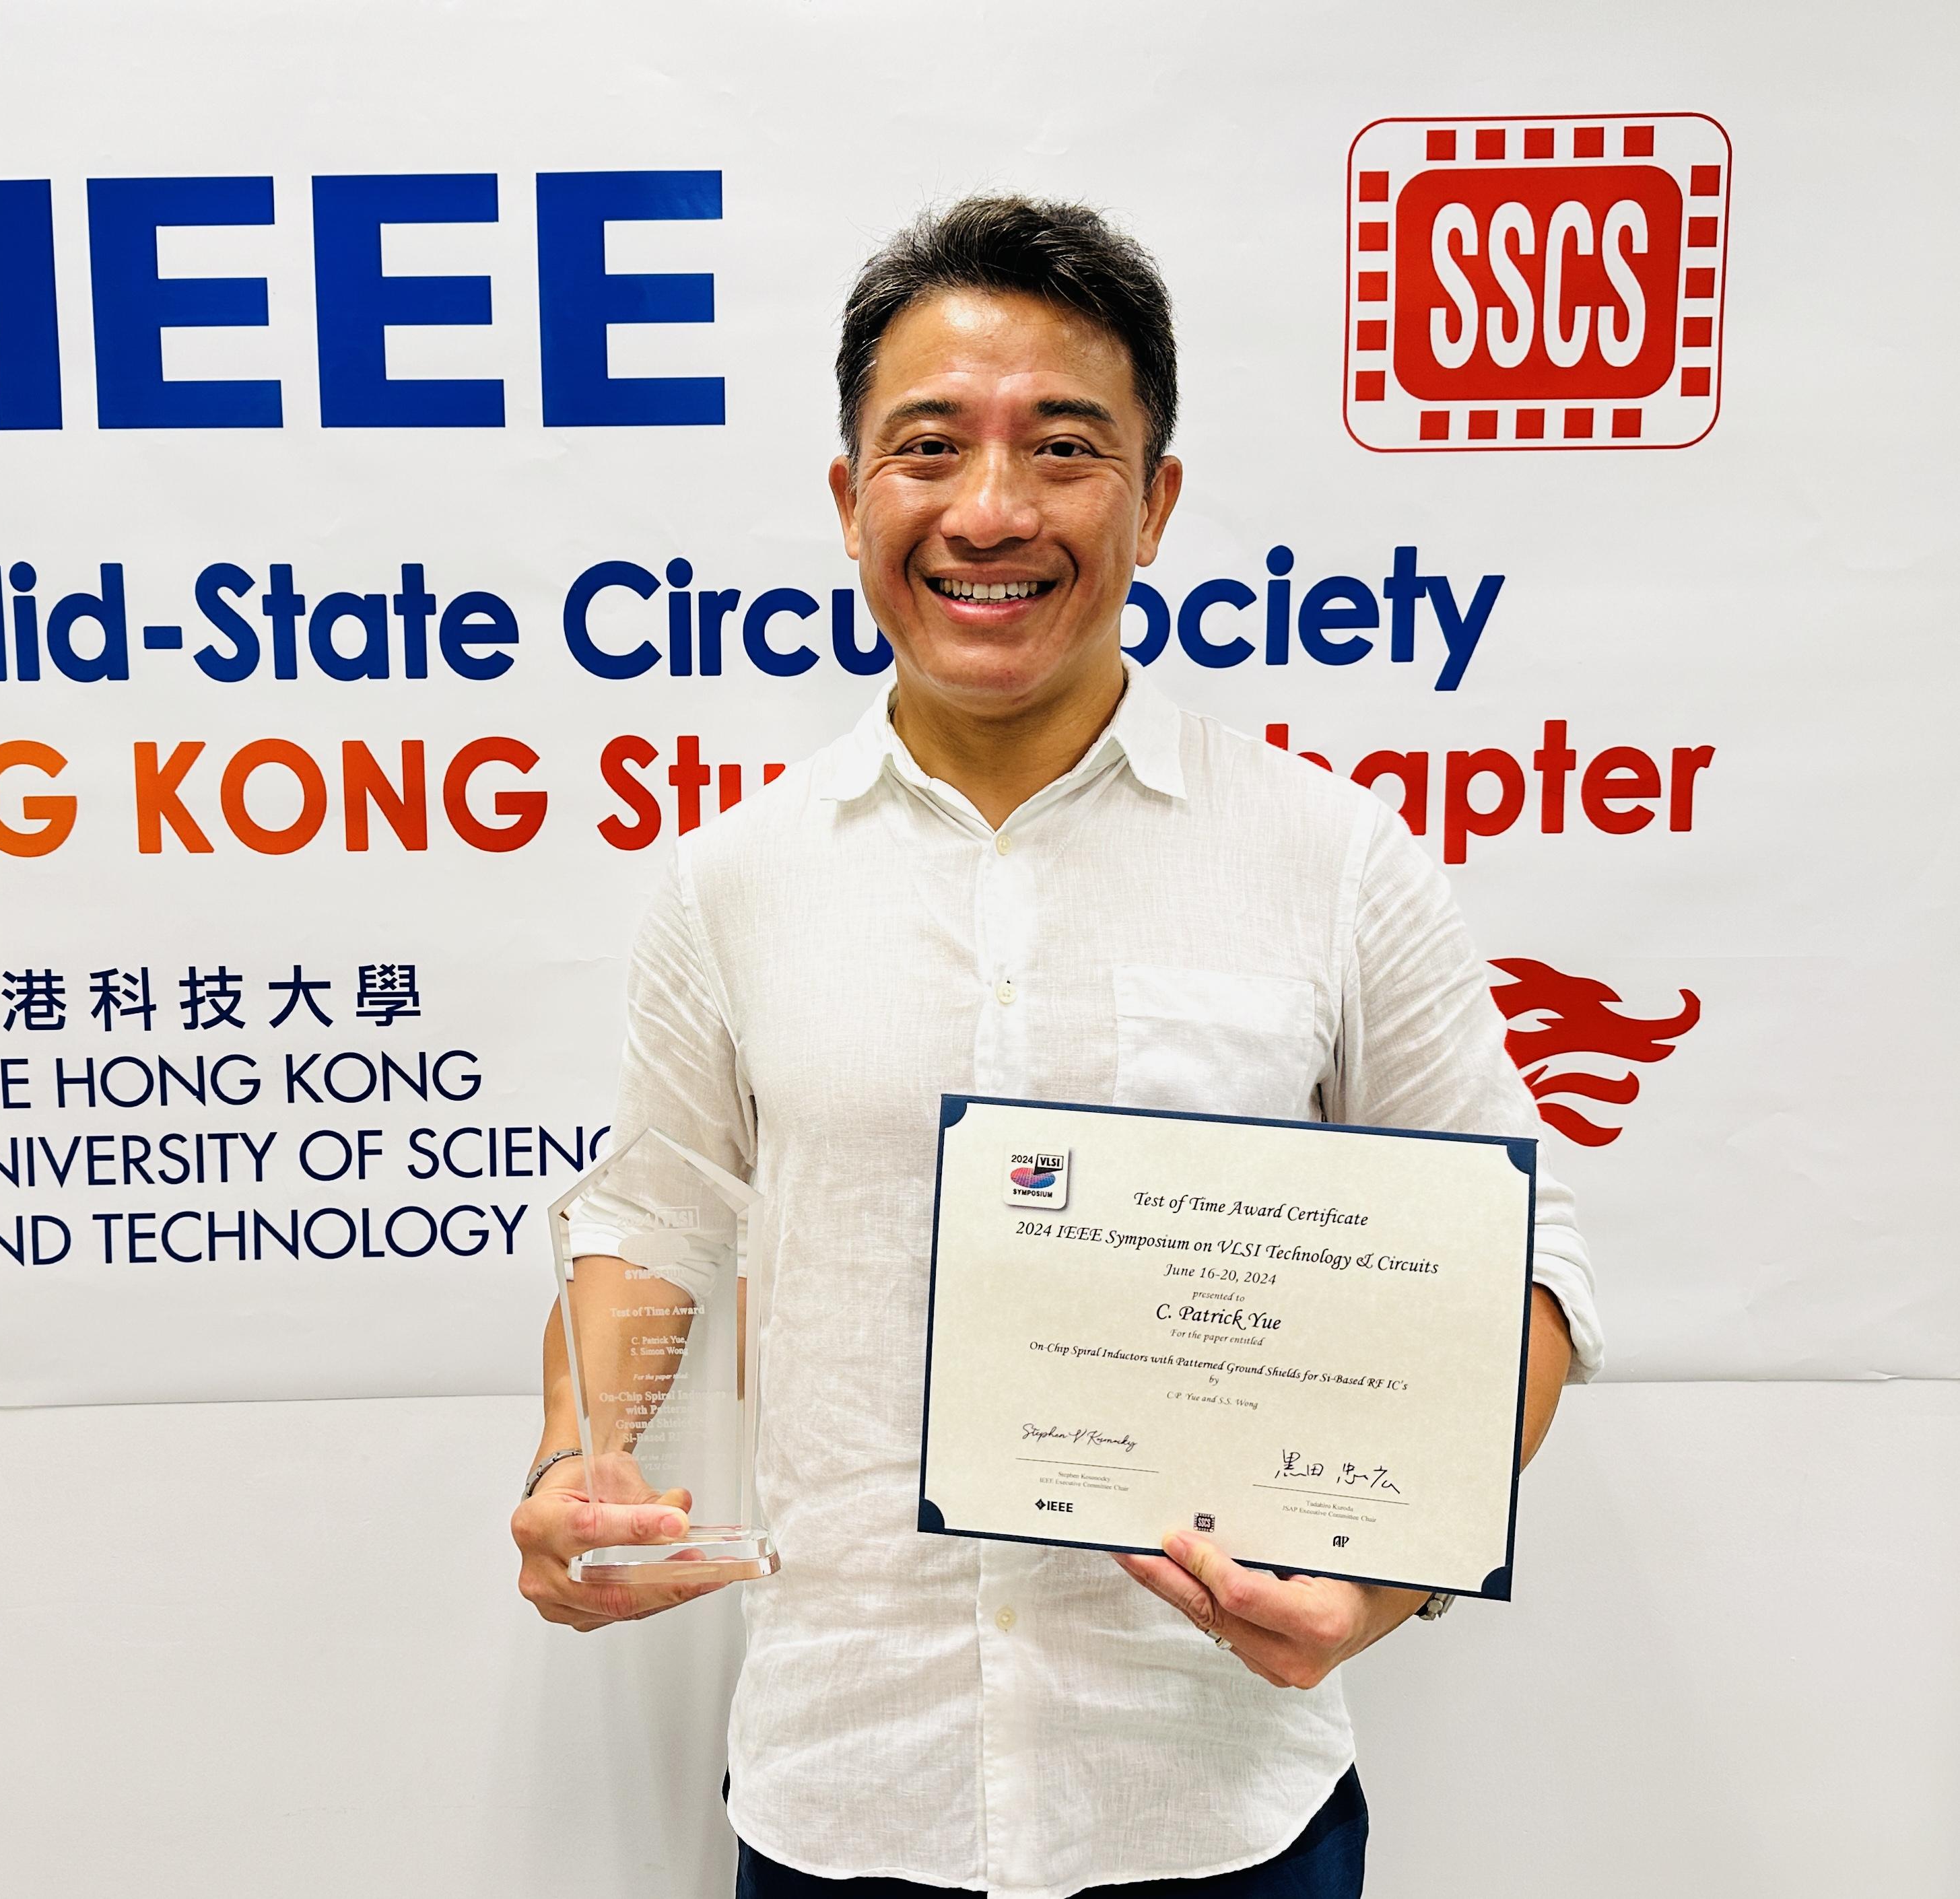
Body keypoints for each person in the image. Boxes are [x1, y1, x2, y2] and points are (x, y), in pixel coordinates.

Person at [511, 195, 1596, 1899]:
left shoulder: (1327, 859)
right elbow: (652, 1218)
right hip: (842, 1786)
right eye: (926, 447)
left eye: (1063, 448)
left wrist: (1388, 1575)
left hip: (1211, 1795)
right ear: (849, 498)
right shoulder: (735, 879)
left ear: (1154, 502)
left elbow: (1526, 1270)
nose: (989, 510)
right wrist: (578, 1458)